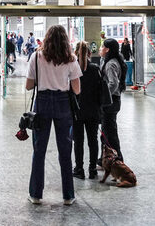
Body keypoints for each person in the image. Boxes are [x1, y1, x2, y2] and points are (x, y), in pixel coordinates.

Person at [26, 25, 82, 206]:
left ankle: (35, 194)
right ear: (65, 40)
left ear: (47, 38)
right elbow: (77, 89)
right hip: (63, 103)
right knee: (65, 151)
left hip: (42, 103)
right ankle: (68, 196)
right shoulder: (71, 59)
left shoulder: (36, 57)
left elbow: (28, 86)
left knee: (39, 150)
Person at [72, 41, 102, 180]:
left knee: (78, 141)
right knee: (93, 140)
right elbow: (100, 91)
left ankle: (79, 169)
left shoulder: (73, 69)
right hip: (93, 110)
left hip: (77, 111)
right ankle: (92, 170)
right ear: (90, 53)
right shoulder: (95, 68)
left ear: (75, 52)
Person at [99, 38, 128, 161]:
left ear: (107, 49)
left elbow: (113, 83)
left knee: (110, 134)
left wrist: (104, 96)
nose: (100, 49)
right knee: (105, 132)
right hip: (114, 101)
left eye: (102, 47)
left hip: (110, 102)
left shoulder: (110, 64)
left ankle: (117, 159)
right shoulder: (113, 61)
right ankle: (104, 159)